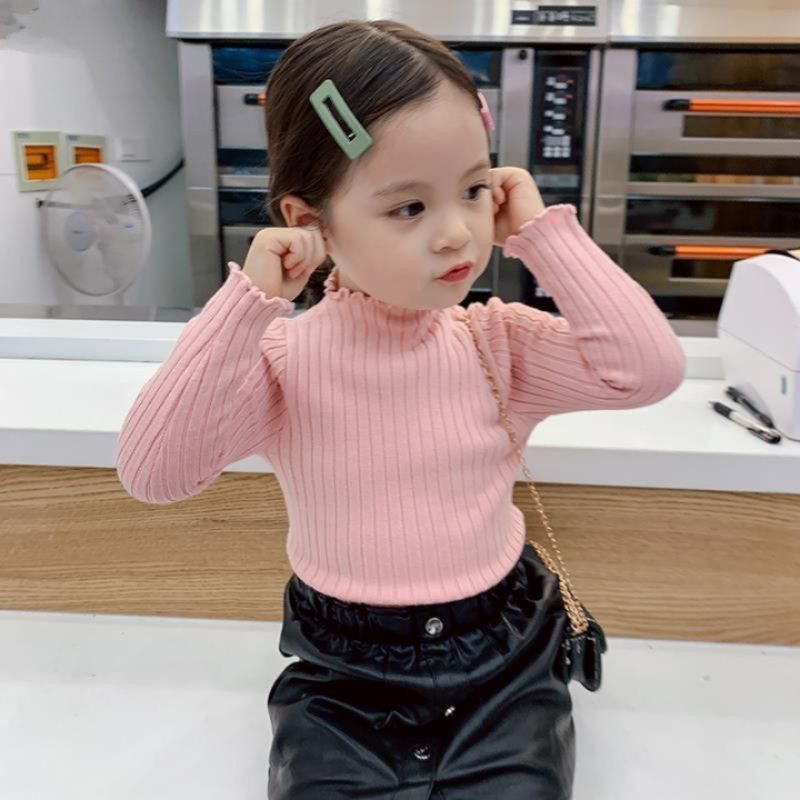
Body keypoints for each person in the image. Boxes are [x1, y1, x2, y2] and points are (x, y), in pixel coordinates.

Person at [115, 19, 686, 800]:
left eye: (474, 190)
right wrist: (244, 305)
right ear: (308, 223)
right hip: (343, 675)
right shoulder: (282, 361)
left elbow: (648, 371)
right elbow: (153, 474)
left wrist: (543, 235)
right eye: (409, 207)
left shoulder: (498, 343)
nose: (457, 233)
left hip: (506, 657)